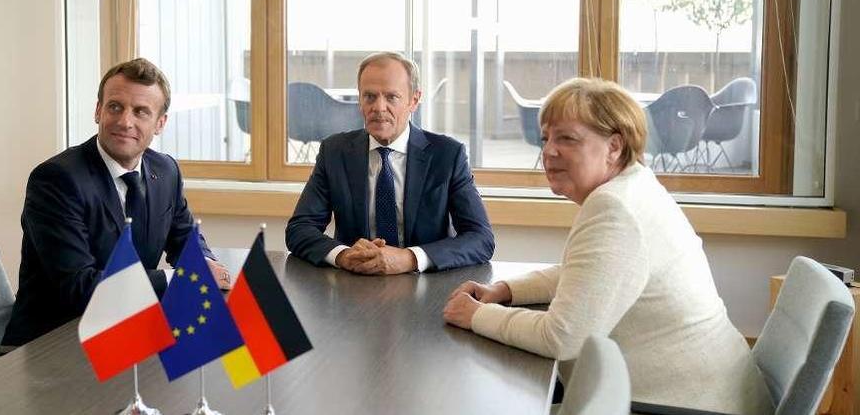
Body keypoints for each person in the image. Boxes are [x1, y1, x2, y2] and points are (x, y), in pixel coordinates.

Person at [442, 78, 773, 413]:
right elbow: (587, 274)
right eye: (546, 138)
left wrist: (477, 316)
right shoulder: (633, 186)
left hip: (685, 406)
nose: (549, 151)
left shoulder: (617, 211)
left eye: (567, 139)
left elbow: (562, 337)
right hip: (707, 392)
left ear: (614, 146)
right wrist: (506, 291)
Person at [2, 58, 230, 346]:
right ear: (98, 111)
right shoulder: (56, 180)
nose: (125, 121)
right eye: (115, 107)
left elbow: (184, 237)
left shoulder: (166, 171)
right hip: (55, 343)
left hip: (127, 331)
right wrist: (180, 278)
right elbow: (80, 288)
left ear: (160, 123)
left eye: (141, 112)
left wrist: (206, 263)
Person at [286, 52, 494, 274]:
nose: (379, 107)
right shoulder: (335, 152)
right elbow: (300, 229)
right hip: (355, 285)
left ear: (413, 100)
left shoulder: (447, 155)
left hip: (427, 287)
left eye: (391, 97)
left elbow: (480, 238)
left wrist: (410, 258)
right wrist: (343, 255)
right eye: (369, 97)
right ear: (359, 99)